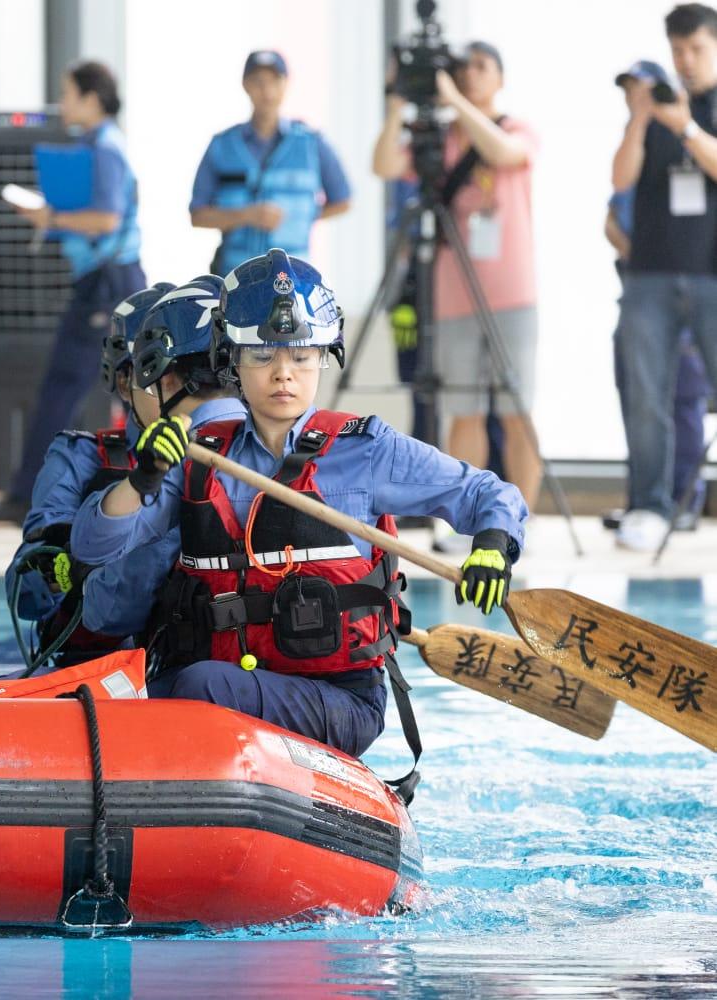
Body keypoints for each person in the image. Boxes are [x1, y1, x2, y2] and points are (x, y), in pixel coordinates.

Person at [71, 251, 528, 760]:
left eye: (302, 357)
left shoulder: (366, 451)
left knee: (195, 685)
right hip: (226, 685)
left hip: (338, 699)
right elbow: (92, 546)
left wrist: (492, 546)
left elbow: (488, 493)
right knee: (144, 694)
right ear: (231, 360)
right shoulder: (198, 456)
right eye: (262, 356)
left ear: (324, 357)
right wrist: (142, 478)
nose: (283, 374)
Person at [373, 41, 542, 551]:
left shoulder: (515, 128)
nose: (470, 74)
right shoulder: (439, 140)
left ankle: (520, 521)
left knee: (515, 410)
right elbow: (384, 165)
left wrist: (455, 102)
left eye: (482, 66)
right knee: (463, 409)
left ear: (501, 78)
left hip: (512, 294)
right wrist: (396, 104)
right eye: (464, 67)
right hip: (452, 296)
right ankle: (465, 522)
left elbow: (504, 153)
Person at [0, 61, 145, 521]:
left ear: (92, 98)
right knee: (119, 390)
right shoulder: (96, 145)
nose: (62, 103)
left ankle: (26, 496)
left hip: (108, 283)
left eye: (68, 93)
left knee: (66, 387)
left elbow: (105, 218)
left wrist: (50, 218)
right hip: (105, 279)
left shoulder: (105, 150)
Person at [5, 282, 180, 670]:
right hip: (96, 668)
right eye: (159, 373)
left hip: (193, 669)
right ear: (124, 382)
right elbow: (25, 591)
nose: (179, 388)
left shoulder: (235, 457)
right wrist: (61, 567)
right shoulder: (80, 457)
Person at [611, 4, 717, 550]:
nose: (686, 60)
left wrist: (687, 128)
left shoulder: (698, 113)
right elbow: (620, 180)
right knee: (646, 395)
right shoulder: (656, 107)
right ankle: (650, 505)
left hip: (712, 275)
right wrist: (639, 118)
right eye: (678, 50)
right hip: (649, 276)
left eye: (696, 49)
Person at [190, 50, 352, 276]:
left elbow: (343, 200)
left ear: (285, 84)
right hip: (235, 277)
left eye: (274, 81)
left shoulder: (312, 144)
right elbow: (198, 215)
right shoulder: (222, 145)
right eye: (258, 82)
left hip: (293, 278)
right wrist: (246, 215)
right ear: (245, 85)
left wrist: (301, 217)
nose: (267, 91)